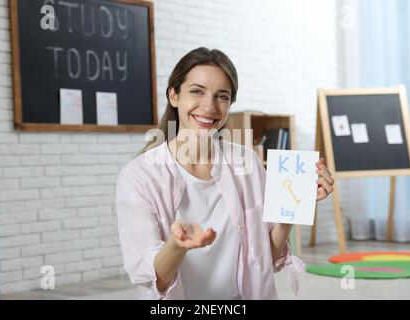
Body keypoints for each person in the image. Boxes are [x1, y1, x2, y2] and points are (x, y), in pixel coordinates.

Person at [116, 47, 334, 300]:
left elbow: (269, 258)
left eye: (222, 96)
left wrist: (291, 206)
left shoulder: (247, 163)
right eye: (197, 91)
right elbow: (156, 279)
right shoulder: (139, 176)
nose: (209, 107)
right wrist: (177, 245)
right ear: (174, 95)